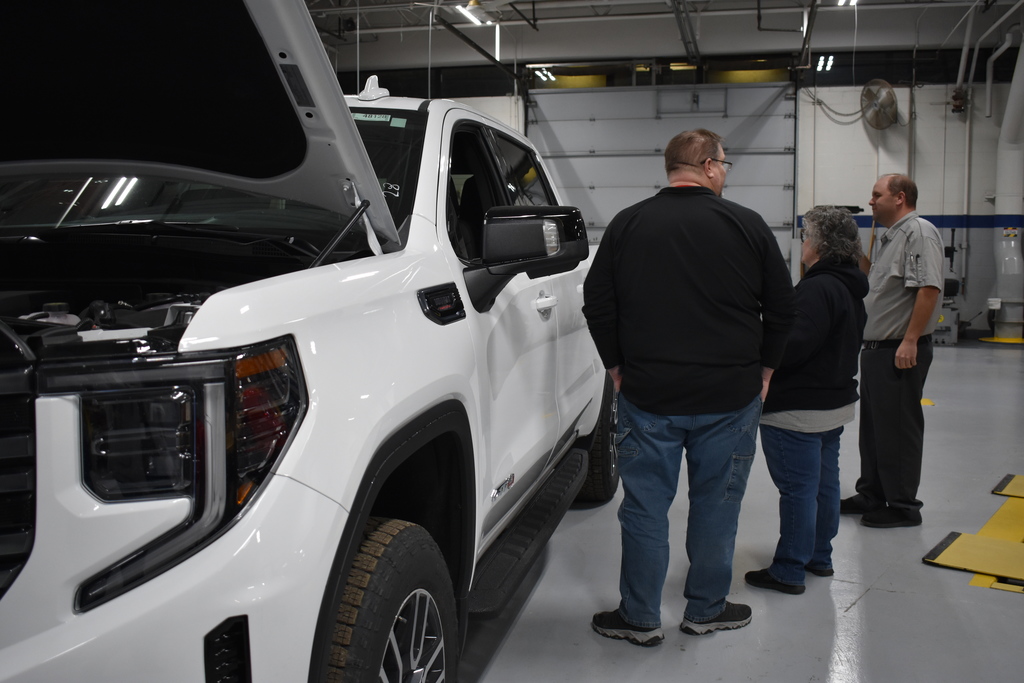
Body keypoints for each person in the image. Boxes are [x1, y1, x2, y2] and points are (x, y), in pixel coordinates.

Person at [582, 128, 795, 646]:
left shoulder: (628, 224)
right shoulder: (747, 225)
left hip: (650, 393)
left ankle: (640, 617)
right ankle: (706, 608)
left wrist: (615, 366)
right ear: (709, 165)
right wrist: (765, 371)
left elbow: (597, 300)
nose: (724, 172)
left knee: (645, 506)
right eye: (724, 163)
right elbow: (783, 309)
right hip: (729, 397)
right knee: (717, 505)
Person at [744, 206, 868, 595]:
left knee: (798, 489)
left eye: (807, 236)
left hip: (797, 408)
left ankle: (788, 569)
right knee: (823, 485)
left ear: (820, 244)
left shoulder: (817, 288)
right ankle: (819, 555)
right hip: (832, 404)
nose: (803, 244)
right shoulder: (848, 286)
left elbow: (794, 344)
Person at [841, 174, 943, 528]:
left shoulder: (919, 232)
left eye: (876, 195)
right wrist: (851, 249)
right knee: (874, 427)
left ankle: (902, 506)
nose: (870, 202)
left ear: (900, 198)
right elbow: (876, 284)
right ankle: (871, 492)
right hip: (876, 349)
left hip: (898, 348)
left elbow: (928, 288)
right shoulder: (890, 238)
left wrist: (911, 339)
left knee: (898, 429)